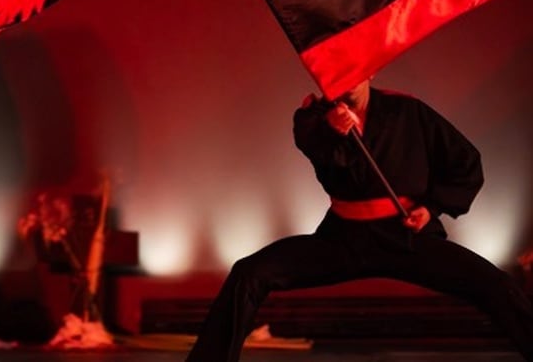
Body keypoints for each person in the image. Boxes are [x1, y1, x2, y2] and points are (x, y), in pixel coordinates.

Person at [186, 79, 533, 361]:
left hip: (405, 237)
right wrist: (332, 130)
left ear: (369, 70)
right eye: (335, 73)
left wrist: (431, 208)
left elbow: (466, 162)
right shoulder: (312, 118)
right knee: (250, 272)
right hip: (342, 239)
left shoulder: (406, 109)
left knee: (496, 284)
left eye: (353, 70)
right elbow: (320, 151)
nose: (346, 80)